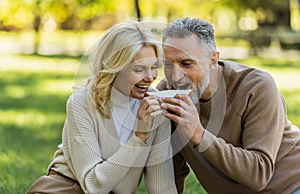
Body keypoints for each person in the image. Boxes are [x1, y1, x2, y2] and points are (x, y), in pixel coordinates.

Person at [26, 21, 177, 194]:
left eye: (153, 67)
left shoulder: (156, 108)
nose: (150, 77)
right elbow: (93, 186)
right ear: (115, 68)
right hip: (70, 187)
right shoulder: (82, 103)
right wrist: (139, 136)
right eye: (139, 69)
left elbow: (162, 186)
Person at [157, 17, 300, 194]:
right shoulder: (167, 93)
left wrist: (198, 133)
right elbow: (172, 174)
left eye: (187, 64)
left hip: (290, 187)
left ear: (213, 59)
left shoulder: (256, 87)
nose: (175, 77)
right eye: (168, 64)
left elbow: (258, 174)